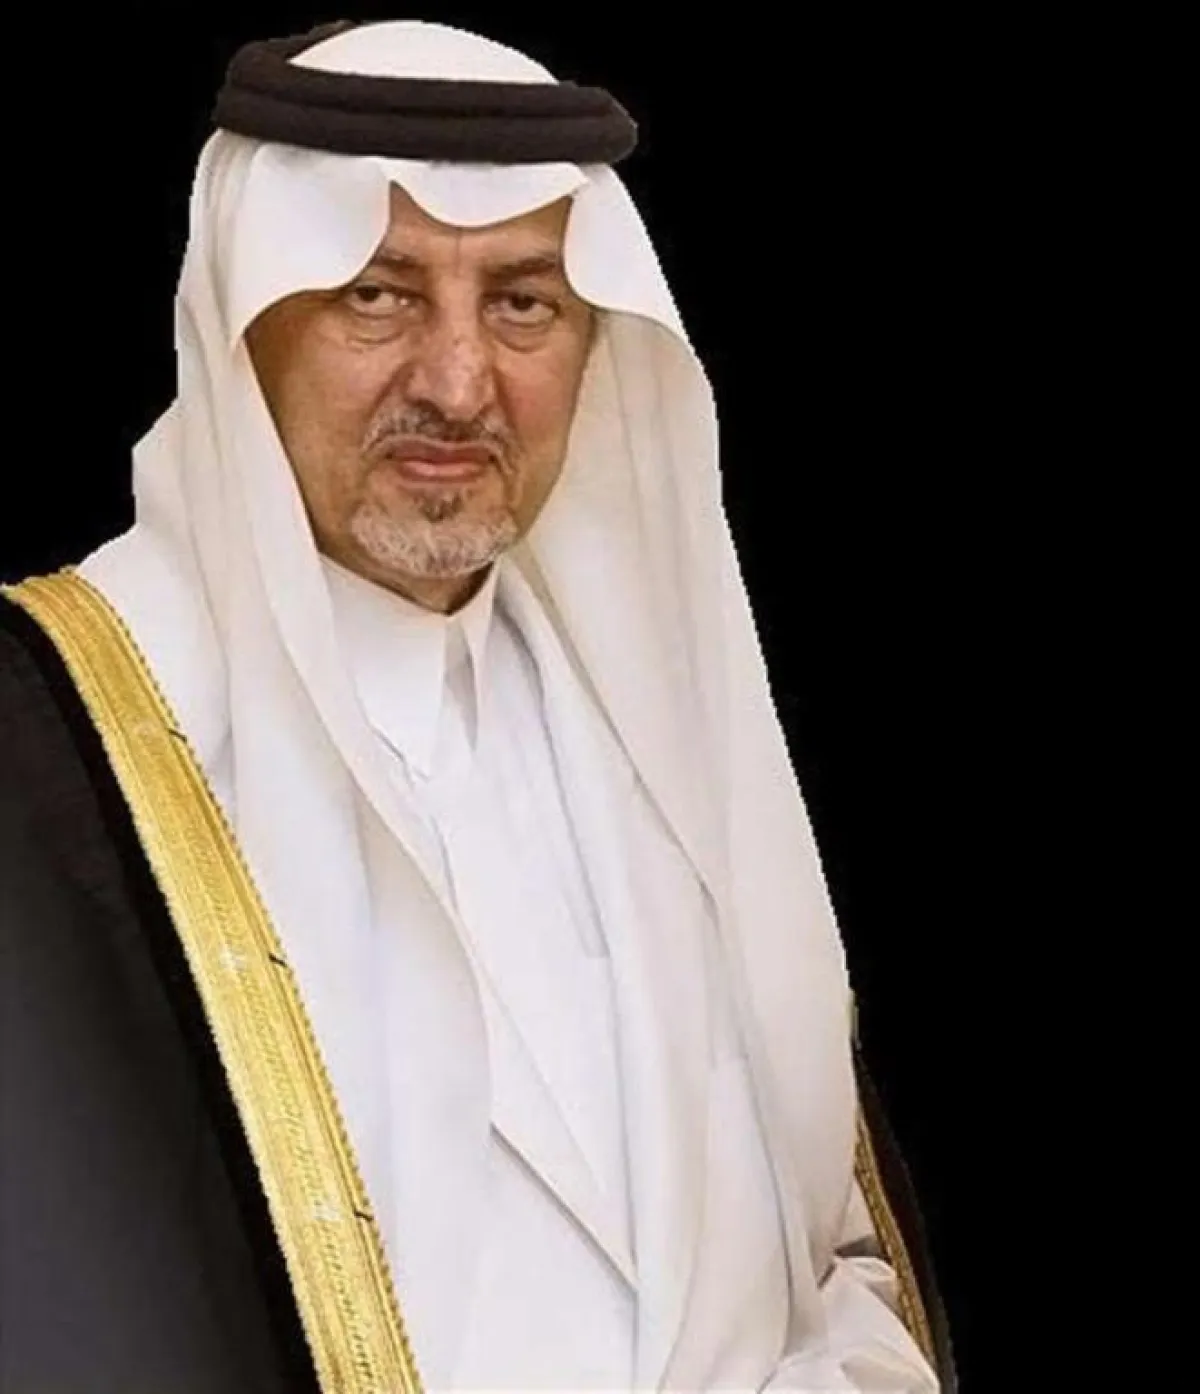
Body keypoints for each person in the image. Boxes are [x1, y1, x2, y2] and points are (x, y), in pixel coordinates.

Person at [0, 19, 953, 1393]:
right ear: (243, 326)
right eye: (377, 295)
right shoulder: (54, 756)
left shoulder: (668, 753)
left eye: (523, 303)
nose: (457, 383)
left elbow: (834, 1270)